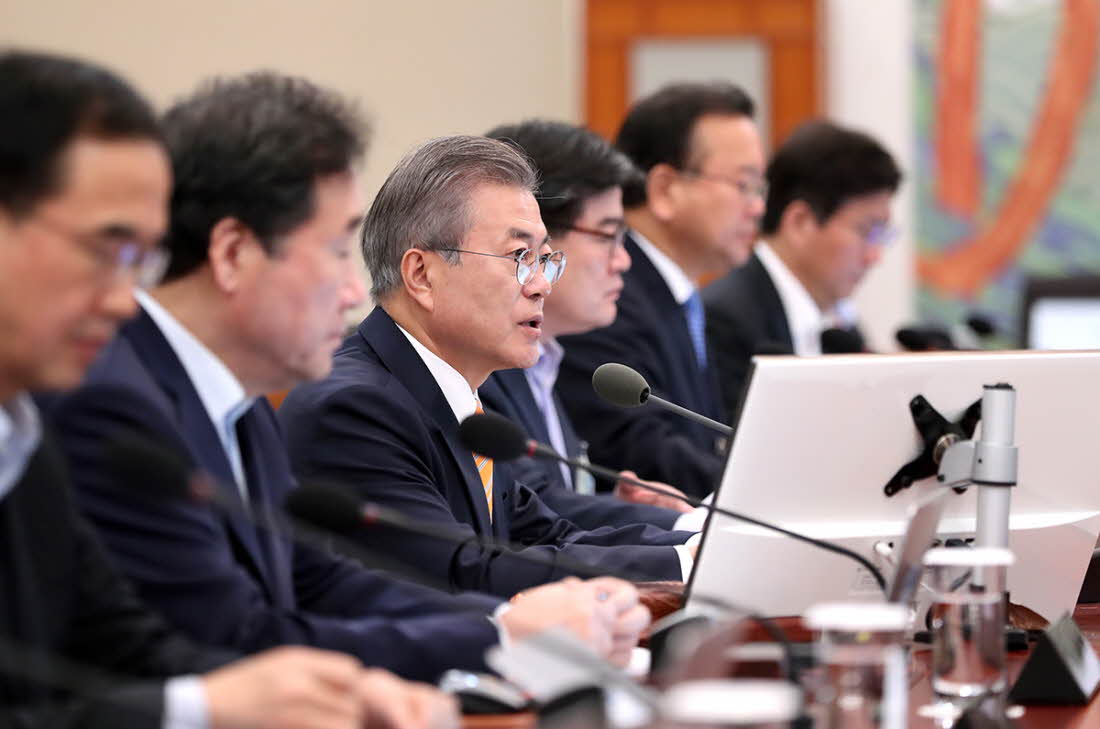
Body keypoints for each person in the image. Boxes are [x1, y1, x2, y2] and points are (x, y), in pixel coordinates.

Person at [43, 71, 648, 683]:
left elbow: (317, 577)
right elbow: (234, 635)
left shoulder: (239, 403)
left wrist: (499, 627)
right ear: (232, 254)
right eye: (336, 249)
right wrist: (503, 638)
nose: (355, 289)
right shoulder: (118, 405)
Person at [0, 49, 457, 729]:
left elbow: (128, 644)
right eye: (108, 250)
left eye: (144, 260)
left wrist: (336, 692)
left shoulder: (22, 435)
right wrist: (206, 705)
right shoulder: (97, 406)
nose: (128, 301)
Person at [280, 135, 698, 600]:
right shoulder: (354, 408)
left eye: (543, 259)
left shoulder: (452, 397)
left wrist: (700, 550)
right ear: (421, 275)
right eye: (519, 258)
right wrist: (689, 562)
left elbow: (549, 538)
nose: (541, 284)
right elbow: (463, 572)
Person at [479, 119, 699, 528]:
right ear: (534, 239)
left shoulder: (545, 358)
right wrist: (684, 528)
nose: (624, 261)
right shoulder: (482, 370)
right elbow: (525, 513)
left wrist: (610, 503)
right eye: (607, 236)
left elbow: (546, 505)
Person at [555, 82, 766, 499]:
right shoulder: (604, 293)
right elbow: (639, 451)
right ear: (666, 189)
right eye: (744, 185)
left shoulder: (679, 298)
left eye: (761, 189)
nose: (757, 207)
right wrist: (767, 493)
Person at [702, 120, 902, 415]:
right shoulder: (724, 321)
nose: (875, 256)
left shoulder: (843, 326)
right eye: (866, 231)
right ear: (800, 222)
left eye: (883, 236)